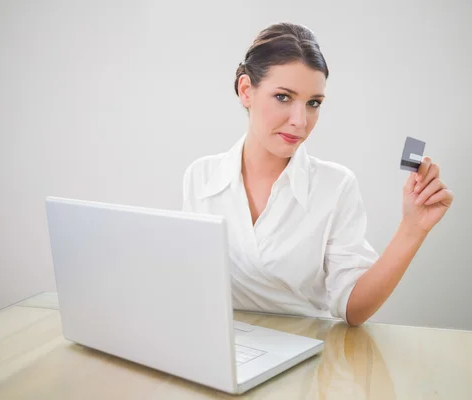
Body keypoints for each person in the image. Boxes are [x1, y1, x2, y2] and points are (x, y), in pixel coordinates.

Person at [182, 22, 454, 326]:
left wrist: (412, 229)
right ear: (246, 90)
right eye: (283, 97)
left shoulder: (335, 187)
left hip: (307, 350)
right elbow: (195, 287)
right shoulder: (201, 177)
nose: (300, 121)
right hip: (225, 351)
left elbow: (353, 308)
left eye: (313, 103)